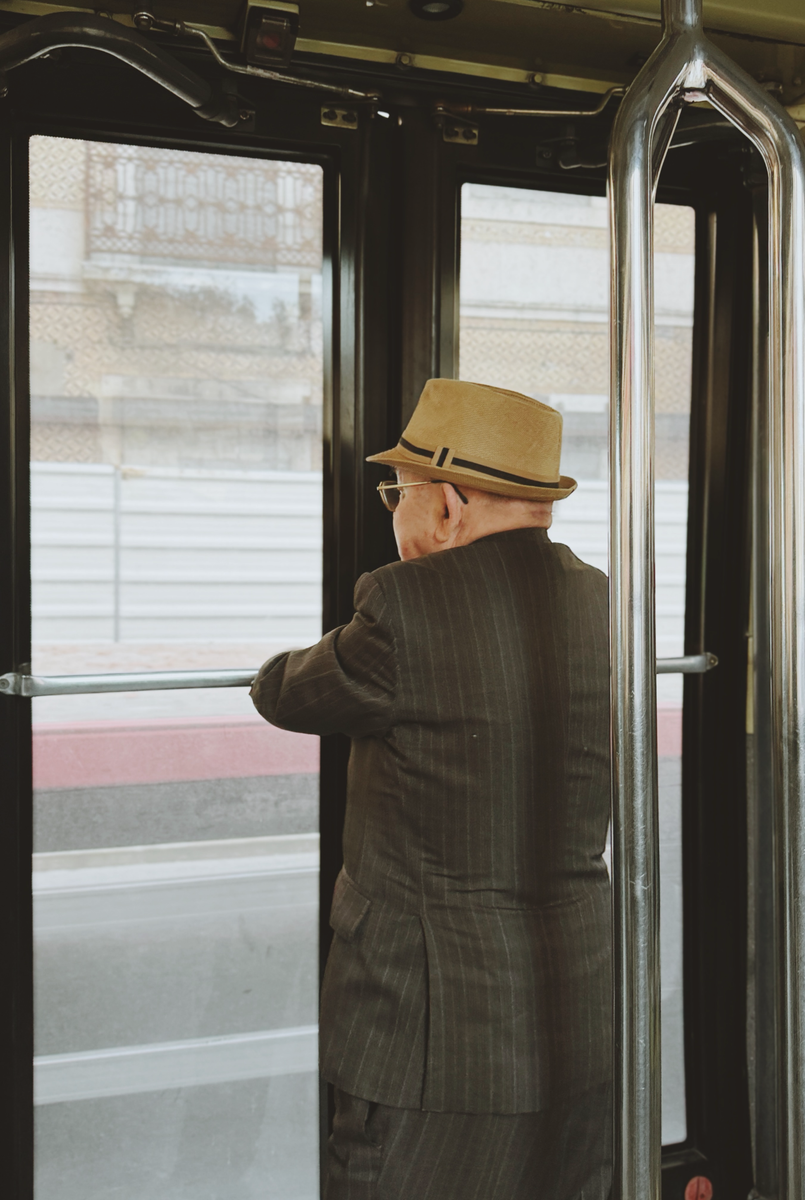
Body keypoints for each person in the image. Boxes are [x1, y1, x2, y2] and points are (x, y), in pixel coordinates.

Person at [251, 378, 612, 1199]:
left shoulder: (405, 606)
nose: (395, 510)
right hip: (579, 1000)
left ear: (447, 503)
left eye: (399, 491)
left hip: (431, 1030)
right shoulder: (601, 599)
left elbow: (287, 693)